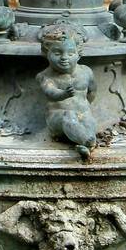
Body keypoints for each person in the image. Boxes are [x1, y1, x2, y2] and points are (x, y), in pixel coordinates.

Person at [36, 22, 97, 159]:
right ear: (47, 53)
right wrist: (64, 94)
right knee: (69, 116)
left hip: (82, 113)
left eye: (70, 53)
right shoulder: (45, 76)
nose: (64, 58)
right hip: (58, 117)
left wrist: (85, 106)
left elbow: (92, 92)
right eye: (57, 53)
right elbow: (50, 92)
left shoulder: (86, 72)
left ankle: (87, 144)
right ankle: (88, 142)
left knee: (89, 120)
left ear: (78, 54)